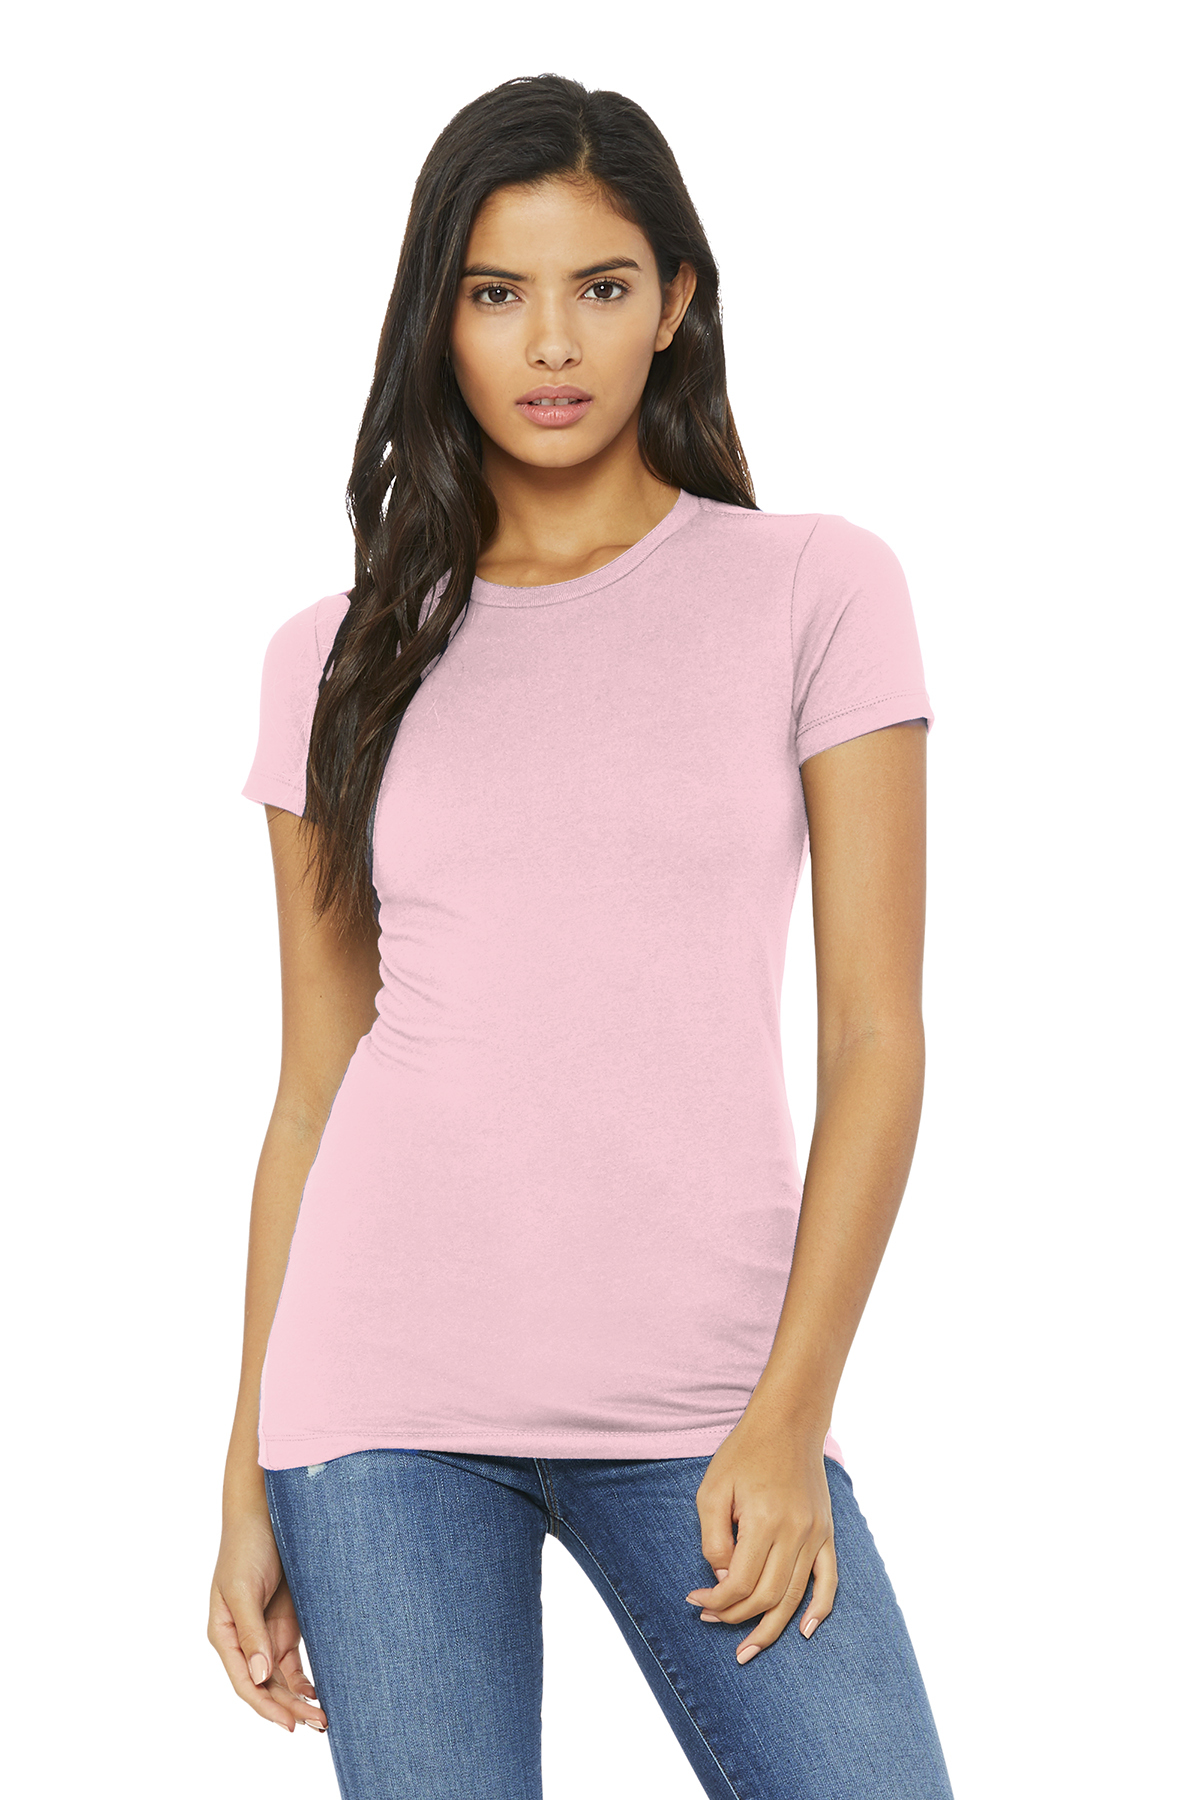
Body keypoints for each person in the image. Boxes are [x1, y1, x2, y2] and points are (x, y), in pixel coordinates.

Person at [208, 71, 955, 1800]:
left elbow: (877, 1035)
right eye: (497, 292)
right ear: (439, 317)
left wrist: (790, 1413)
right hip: (379, 1406)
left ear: (674, 300)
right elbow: (313, 1090)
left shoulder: (816, 590)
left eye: (601, 286)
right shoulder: (335, 655)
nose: (551, 342)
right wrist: (244, 1468)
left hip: (709, 1400)